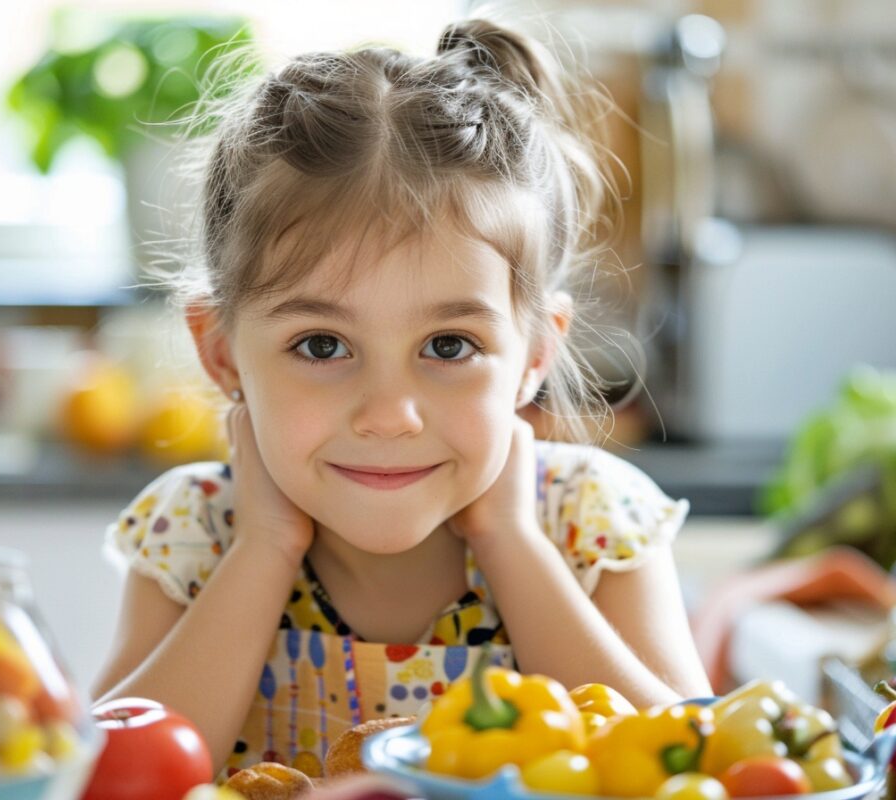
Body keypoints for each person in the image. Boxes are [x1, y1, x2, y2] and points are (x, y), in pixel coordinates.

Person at [92, 15, 711, 782]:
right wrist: (263, 550)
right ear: (221, 352)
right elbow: (105, 781)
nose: (390, 415)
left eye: (449, 347)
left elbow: (692, 772)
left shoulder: (590, 524)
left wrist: (513, 542)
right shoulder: (194, 534)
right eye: (322, 346)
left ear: (535, 353)